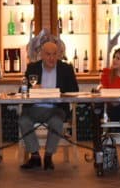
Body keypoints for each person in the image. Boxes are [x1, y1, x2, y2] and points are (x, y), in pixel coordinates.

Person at [19, 40, 79, 170]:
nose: (51, 58)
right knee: (23, 120)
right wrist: (31, 89)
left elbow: (74, 91)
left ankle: (48, 156)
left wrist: (59, 93)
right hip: (34, 107)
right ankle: (35, 156)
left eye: (54, 54)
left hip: (56, 108)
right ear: (41, 55)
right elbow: (22, 91)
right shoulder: (32, 68)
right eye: (48, 54)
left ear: (58, 55)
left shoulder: (66, 69)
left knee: (57, 122)